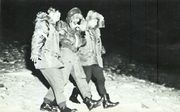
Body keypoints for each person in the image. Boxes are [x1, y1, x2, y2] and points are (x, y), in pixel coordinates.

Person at [36, 7, 100, 112]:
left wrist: (82, 33)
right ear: (70, 17)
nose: (77, 20)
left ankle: (88, 100)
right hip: (65, 54)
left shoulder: (77, 29)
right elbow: (61, 39)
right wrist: (74, 33)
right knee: (62, 81)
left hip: (74, 55)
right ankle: (46, 102)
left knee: (81, 77)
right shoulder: (62, 24)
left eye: (78, 18)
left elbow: (82, 43)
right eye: (75, 17)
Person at [69, 10, 119, 109]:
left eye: (97, 21)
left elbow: (97, 43)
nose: (95, 23)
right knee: (85, 81)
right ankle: (74, 95)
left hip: (96, 60)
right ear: (89, 20)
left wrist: (101, 48)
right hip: (85, 59)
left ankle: (106, 100)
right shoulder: (82, 28)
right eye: (94, 21)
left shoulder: (96, 31)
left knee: (101, 79)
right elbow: (77, 42)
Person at [31, 8, 77, 112]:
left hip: (52, 59)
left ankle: (46, 103)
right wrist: (35, 52)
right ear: (52, 14)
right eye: (58, 15)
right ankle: (63, 107)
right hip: (44, 58)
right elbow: (38, 36)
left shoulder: (52, 26)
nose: (59, 18)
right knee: (58, 82)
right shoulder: (43, 23)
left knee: (61, 81)